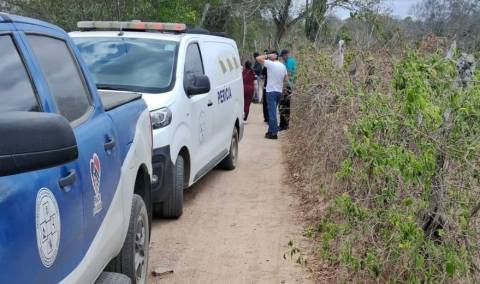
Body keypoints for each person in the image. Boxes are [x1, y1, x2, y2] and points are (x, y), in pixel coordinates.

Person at [256, 51, 288, 140]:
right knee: (273, 112)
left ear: (274, 57)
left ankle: (274, 133)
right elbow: (286, 79)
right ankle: (270, 131)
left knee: (272, 113)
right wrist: (283, 90)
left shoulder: (271, 64)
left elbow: (258, 58)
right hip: (278, 92)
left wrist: (267, 55)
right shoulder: (283, 66)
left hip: (271, 91)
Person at [279, 49, 297, 131]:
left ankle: (285, 125)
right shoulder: (285, 62)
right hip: (284, 86)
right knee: (282, 105)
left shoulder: (290, 62)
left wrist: (285, 87)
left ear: (286, 54)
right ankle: (282, 124)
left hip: (287, 86)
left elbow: (288, 74)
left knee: (285, 106)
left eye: (283, 55)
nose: (282, 57)